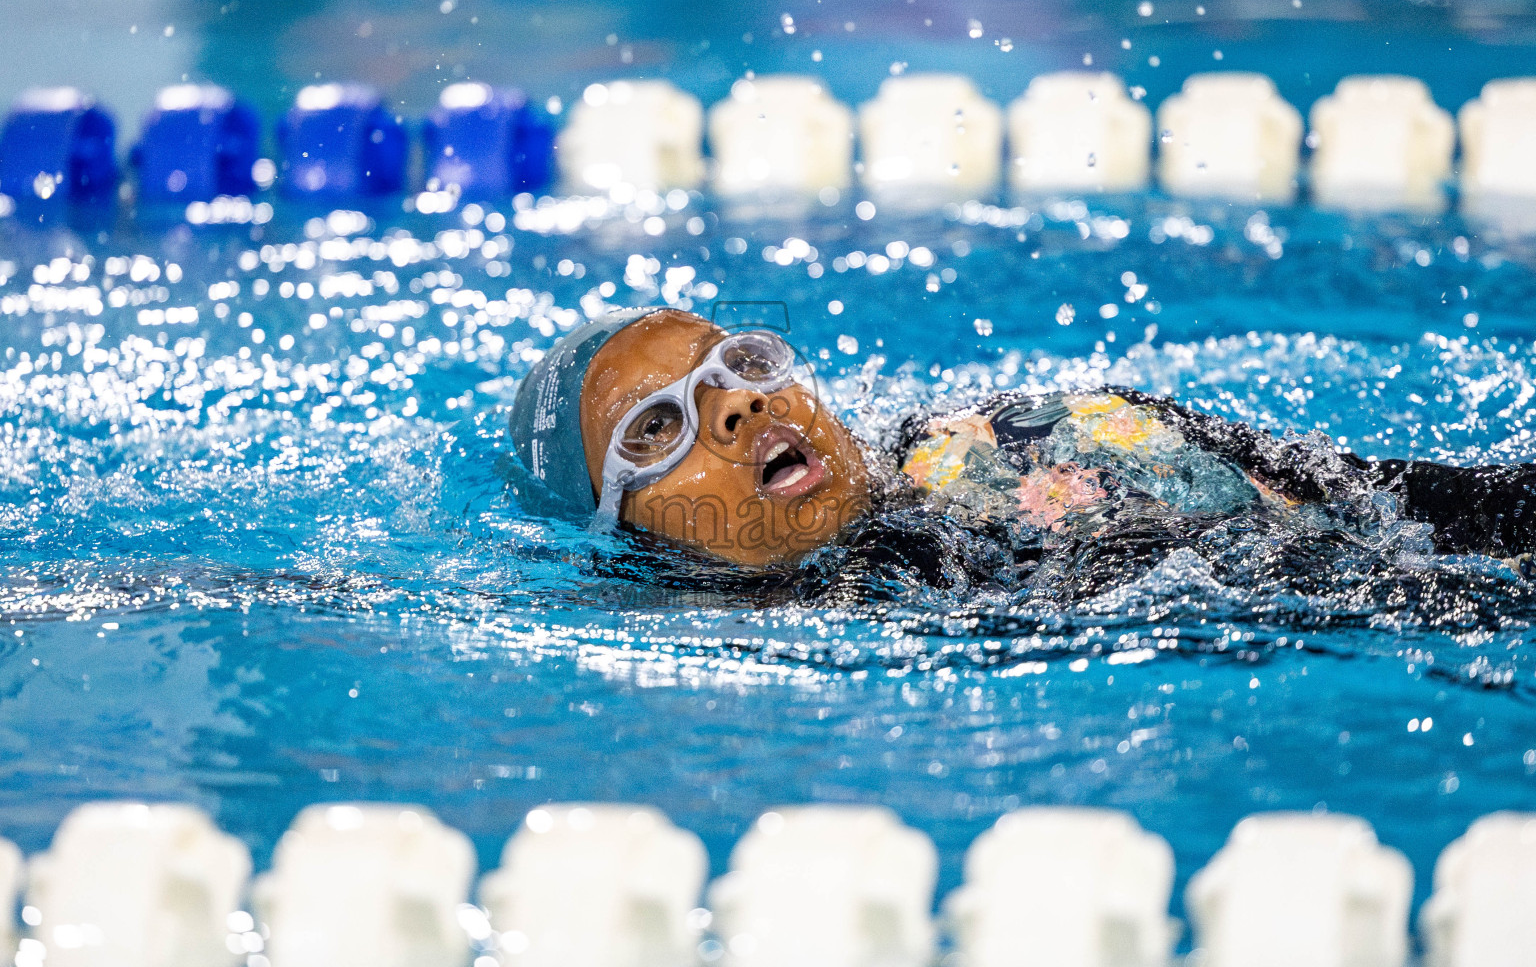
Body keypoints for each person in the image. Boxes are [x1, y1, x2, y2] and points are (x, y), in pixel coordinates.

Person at [507, 306, 1536, 602]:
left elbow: (1407, 497)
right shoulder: (858, 617)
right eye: (659, 429)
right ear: (616, 531)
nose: (732, 408)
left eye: (733, 365)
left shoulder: (1010, 426)